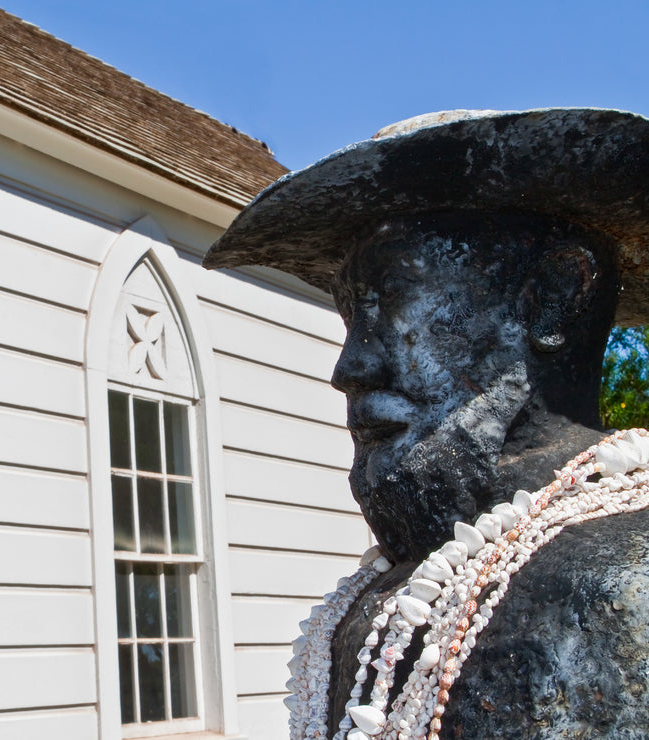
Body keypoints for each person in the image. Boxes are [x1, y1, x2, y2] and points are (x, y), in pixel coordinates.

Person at [204, 109, 649, 739]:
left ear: (553, 297)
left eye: (395, 297)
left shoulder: (625, 581)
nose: (349, 365)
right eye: (351, 315)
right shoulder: (374, 603)